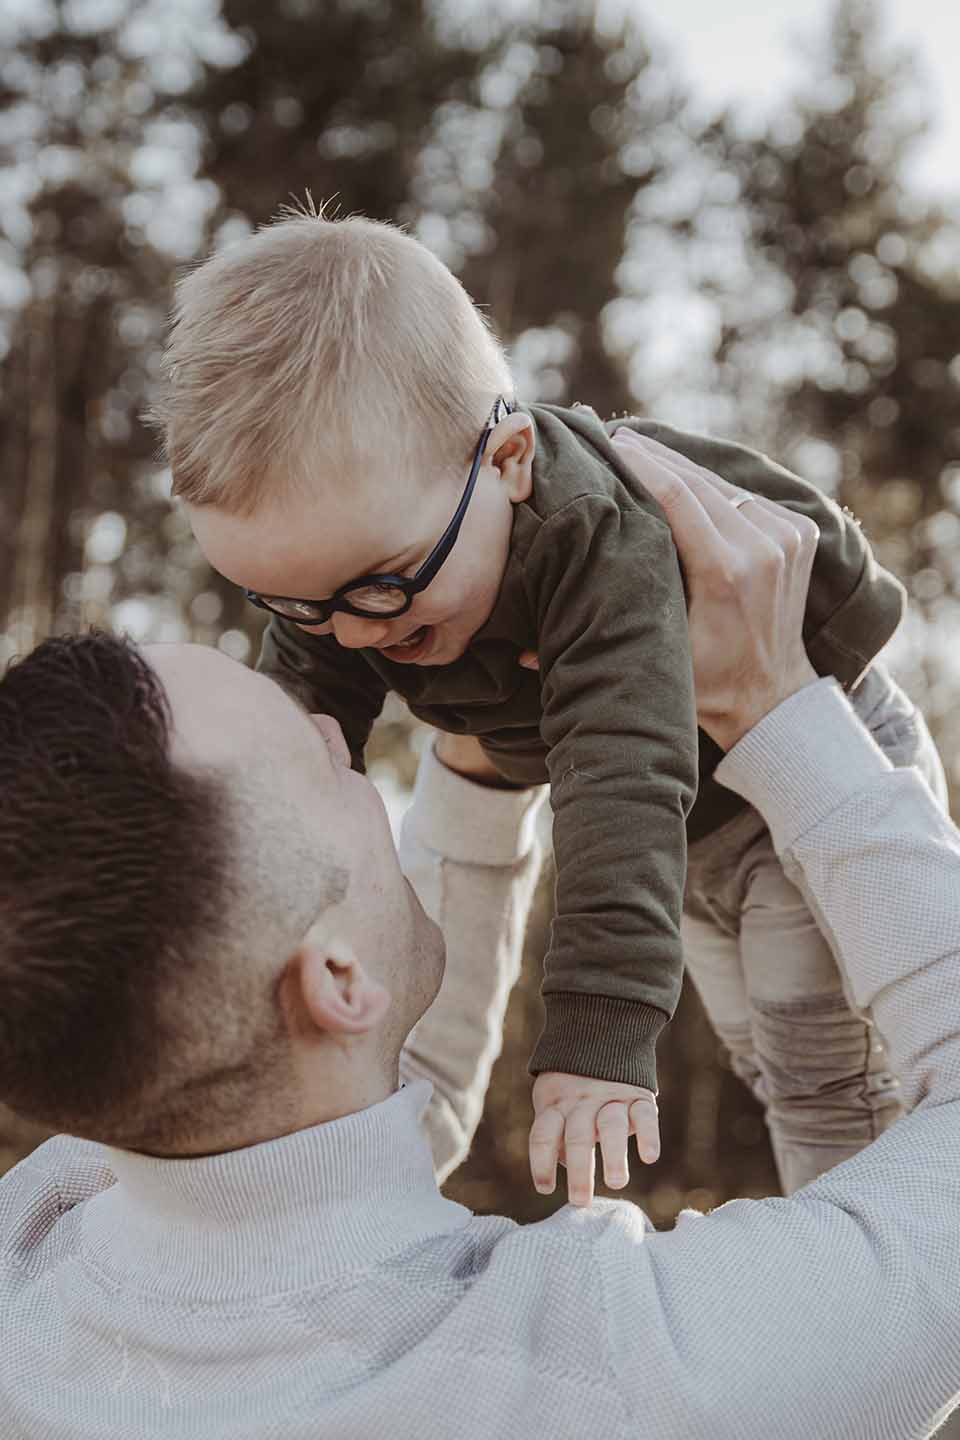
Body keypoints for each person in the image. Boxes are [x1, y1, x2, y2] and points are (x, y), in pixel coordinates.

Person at [1, 441, 959, 1439]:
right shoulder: (632, 1369)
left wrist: (483, 754)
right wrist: (783, 709)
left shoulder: (28, 1262)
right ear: (334, 977)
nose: (342, 733)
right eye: (320, 761)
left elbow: (351, 1122)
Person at [151, 204, 946, 1203]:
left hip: (795, 763)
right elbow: (294, 735)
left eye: (385, 585)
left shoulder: (592, 543)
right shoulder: (357, 580)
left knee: (825, 1073)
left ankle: (888, 1310)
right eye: (295, 604)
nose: (352, 631)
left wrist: (598, 1028)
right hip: (689, 838)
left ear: (511, 459)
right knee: (772, 1059)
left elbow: (620, 771)